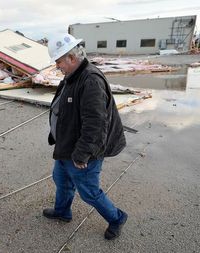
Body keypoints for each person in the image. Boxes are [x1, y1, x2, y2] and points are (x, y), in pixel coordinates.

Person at [43, 33, 128, 240]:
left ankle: (117, 218)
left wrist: (82, 154)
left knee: (89, 191)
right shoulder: (71, 77)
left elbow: (96, 124)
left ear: (71, 58)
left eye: (59, 62)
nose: (57, 66)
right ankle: (62, 211)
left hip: (83, 150)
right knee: (61, 180)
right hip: (67, 144)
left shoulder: (90, 80)